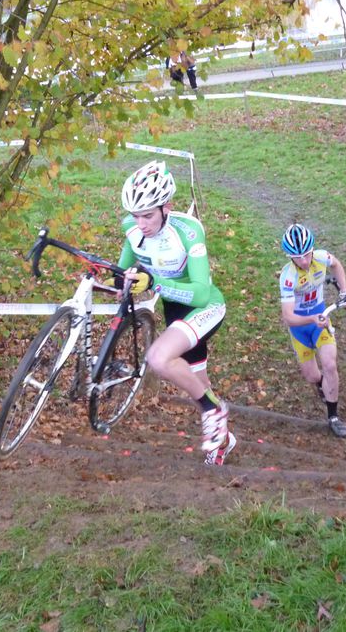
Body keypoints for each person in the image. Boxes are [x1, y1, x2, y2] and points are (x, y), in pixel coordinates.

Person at [117, 161, 234, 465]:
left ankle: (213, 409)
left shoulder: (189, 231)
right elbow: (123, 272)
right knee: (198, 380)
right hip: (175, 310)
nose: (140, 224)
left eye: (148, 215)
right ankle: (224, 440)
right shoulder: (131, 229)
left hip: (204, 306)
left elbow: (200, 292)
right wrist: (110, 279)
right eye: (135, 215)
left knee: (158, 358)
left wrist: (155, 283)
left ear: (166, 206)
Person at [278, 223, 346, 438]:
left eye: (306, 254)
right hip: (301, 327)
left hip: (321, 316)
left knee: (330, 364)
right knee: (312, 376)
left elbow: (337, 265)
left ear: (313, 250)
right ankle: (322, 385)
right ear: (289, 257)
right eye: (297, 257)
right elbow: (288, 317)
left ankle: (333, 417)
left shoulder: (321, 257)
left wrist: (344, 291)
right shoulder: (287, 277)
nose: (303, 261)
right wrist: (311, 318)